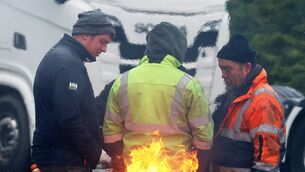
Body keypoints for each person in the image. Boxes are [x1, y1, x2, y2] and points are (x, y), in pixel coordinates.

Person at [102, 22, 214, 172]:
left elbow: (111, 136)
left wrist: (123, 163)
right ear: (178, 49)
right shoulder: (190, 85)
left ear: (148, 47)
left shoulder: (122, 82)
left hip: (134, 166)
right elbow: (204, 140)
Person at [31, 9, 115, 172]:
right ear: (85, 35)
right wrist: (94, 151)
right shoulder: (70, 64)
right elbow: (68, 118)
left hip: (53, 160)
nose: (104, 49)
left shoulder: (61, 55)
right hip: (64, 163)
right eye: (102, 41)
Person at [210, 33, 286, 172]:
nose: (223, 75)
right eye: (221, 69)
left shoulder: (263, 102)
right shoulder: (236, 95)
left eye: (227, 69)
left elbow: (266, 165)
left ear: (247, 68)